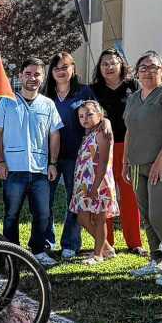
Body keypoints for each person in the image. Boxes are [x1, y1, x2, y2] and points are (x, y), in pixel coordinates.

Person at [123, 51, 162, 287]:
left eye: (154, 67)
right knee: (148, 215)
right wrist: (125, 162)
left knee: (159, 214)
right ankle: (156, 259)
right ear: (136, 72)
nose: (148, 71)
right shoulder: (133, 97)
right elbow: (129, 130)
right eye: (143, 67)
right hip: (138, 164)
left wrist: (160, 160)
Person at [0, 57, 63, 266]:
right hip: (14, 170)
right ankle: (11, 252)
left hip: (40, 170)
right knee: (12, 214)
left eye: (37, 74)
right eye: (28, 74)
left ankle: (39, 250)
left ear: (42, 77)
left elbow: (55, 135)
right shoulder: (7, 102)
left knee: (43, 213)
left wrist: (53, 163)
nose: (33, 78)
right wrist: (1, 162)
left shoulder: (48, 104)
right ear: (20, 75)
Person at [90, 49, 146, 255]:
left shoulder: (134, 86)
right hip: (103, 147)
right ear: (99, 67)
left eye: (113, 63)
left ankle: (134, 242)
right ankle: (107, 241)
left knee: (131, 194)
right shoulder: (93, 90)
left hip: (129, 147)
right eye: (104, 64)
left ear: (121, 64)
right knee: (105, 194)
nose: (109, 67)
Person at [42, 52, 97, 260]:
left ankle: (70, 243)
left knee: (74, 201)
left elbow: (98, 116)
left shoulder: (84, 92)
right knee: (44, 200)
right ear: (51, 72)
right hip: (50, 157)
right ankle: (46, 240)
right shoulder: (46, 94)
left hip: (78, 156)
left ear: (73, 68)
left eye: (65, 67)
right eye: (56, 68)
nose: (61, 71)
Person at [69, 100, 119, 265]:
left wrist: (96, 186)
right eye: (81, 116)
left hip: (99, 183)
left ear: (100, 115)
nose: (85, 119)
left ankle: (98, 254)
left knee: (99, 219)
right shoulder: (88, 134)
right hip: (83, 183)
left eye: (90, 114)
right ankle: (107, 247)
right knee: (82, 218)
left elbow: (103, 163)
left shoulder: (102, 134)